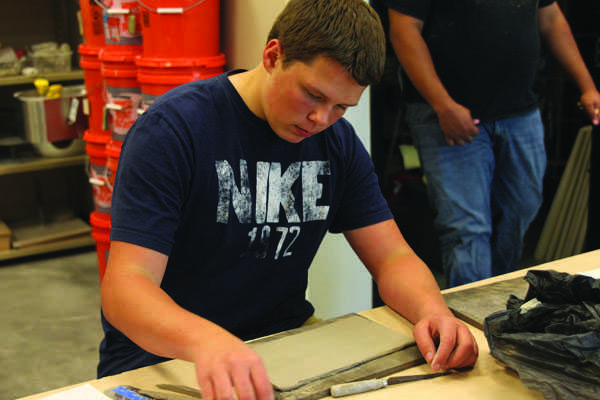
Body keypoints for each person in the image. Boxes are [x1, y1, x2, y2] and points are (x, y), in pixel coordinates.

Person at [98, 0, 478, 399]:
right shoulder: (173, 130)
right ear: (272, 55)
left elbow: (392, 258)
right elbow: (127, 287)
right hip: (165, 359)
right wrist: (206, 341)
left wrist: (433, 312)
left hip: (283, 343)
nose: (321, 120)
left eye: (342, 107)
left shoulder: (336, 143)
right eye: (313, 95)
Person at [384, 0, 600, 287]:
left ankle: (495, 301)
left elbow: (550, 19)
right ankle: (475, 321)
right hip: (446, 115)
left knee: (521, 208)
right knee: (467, 228)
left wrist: (587, 86)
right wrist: (443, 105)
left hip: (519, 110)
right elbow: (404, 30)